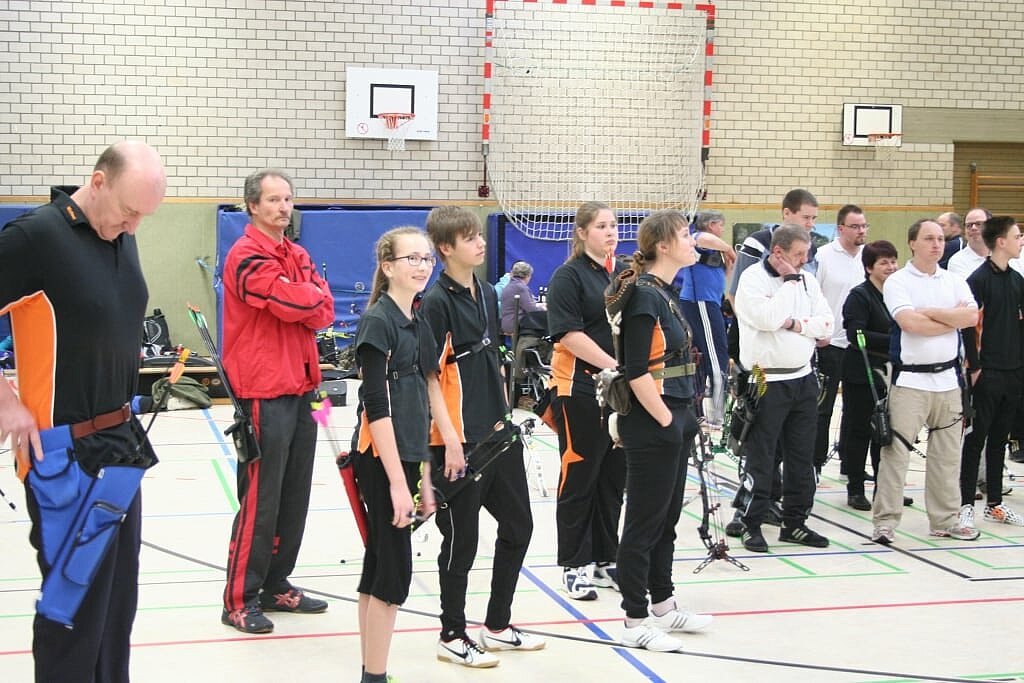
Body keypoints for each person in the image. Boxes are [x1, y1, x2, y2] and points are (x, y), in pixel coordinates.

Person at [0, 140, 166, 682]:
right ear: (98, 182)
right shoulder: (36, 237)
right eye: (129, 211)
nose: (134, 226)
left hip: (122, 446)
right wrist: (5, 399)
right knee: (72, 614)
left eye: (143, 217)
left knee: (115, 612)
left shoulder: (119, 235)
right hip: (64, 458)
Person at [419, 207, 543, 667]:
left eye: (479, 235)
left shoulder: (488, 293)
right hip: (459, 441)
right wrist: (451, 440)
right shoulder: (436, 303)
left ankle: (497, 625)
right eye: (469, 237)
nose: (480, 242)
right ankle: (451, 634)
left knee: (519, 526)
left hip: (498, 433)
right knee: (462, 541)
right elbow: (430, 378)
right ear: (446, 248)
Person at [220, 169, 335, 634]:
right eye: (273, 200)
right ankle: (239, 599)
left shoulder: (298, 254)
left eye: (287, 199)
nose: (284, 207)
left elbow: (323, 311)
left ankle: (275, 585)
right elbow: (291, 303)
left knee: (293, 495)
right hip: (262, 390)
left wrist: (304, 296)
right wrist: (306, 296)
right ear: (252, 206)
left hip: (303, 388)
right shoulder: (245, 255)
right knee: (261, 500)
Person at [350, 227, 457, 683]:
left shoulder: (418, 317)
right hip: (381, 457)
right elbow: (377, 406)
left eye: (426, 258)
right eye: (411, 258)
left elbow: (429, 386)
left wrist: (445, 447)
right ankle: (374, 676)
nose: (422, 265)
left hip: (409, 456)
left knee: (379, 564)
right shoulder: (379, 322)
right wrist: (397, 482)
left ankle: (371, 671)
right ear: (388, 266)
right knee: (393, 572)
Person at [614, 210, 713, 652]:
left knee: (667, 520)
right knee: (643, 523)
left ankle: (663, 604)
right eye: (685, 235)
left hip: (676, 416)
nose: (693, 241)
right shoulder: (643, 297)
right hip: (653, 423)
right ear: (663, 245)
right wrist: (667, 421)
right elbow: (636, 372)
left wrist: (683, 419)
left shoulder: (666, 292)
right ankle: (635, 619)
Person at [870, 219, 980, 544]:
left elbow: (971, 317)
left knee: (947, 457)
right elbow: (909, 323)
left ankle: (945, 519)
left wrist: (930, 312)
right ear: (912, 243)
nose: (937, 244)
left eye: (940, 239)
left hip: (949, 382)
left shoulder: (955, 281)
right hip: (910, 383)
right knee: (896, 455)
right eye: (929, 238)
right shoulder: (898, 281)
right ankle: (885, 522)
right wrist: (950, 318)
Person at [734, 225, 833, 553]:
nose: (804, 261)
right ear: (778, 253)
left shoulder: (808, 280)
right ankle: (751, 523)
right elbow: (767, 319)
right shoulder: (752, 280)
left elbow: (827, 325)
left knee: (802, 457)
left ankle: (795, 523)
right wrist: (789, 284)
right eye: (798, 255)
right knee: (761, 457)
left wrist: (794, 324)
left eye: (807, 254)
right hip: (765, 379)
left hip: (803, 378)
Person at [546, 201, 625, 600]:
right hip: (579, 388)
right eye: (601, 226)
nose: (610, 232)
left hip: (619, 392)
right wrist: (615, 366)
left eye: (614, 225)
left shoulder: (622, 273)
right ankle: (574, 564)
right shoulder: (569, 276)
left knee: (613, 479)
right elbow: (568, 334)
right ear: (581, 233)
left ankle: (606, 558)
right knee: (580, 477)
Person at [959, 216, 1024, 528]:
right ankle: (965, 505)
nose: (1020, 241)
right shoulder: (978, 280)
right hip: (986, 373)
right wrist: (974, 368)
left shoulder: (1018, 281)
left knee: (999, 440)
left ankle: (995, 504)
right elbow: (968, 328)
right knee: (976, 440)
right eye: (1017, 235)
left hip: (1013, 372)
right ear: (1001, 241)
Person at [838, 240, 902, 510]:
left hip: (891, 372)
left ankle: (884, 488)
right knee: (860, 431)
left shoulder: (898, 293)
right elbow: (857, 335)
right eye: (883, 262)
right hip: (862, 372)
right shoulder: (860, 296)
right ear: (869, 267)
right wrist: (895, 339)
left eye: (893, 261)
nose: (890, 267)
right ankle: (855, 489)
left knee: (885, 433)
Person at [814, 205, 870, 474]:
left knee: (856, 410)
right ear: (841, 228)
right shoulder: (823, 256)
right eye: (855, 226)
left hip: (858, 346)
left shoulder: (868, 258)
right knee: (823, 410)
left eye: (864, 226)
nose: (861, 231)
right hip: (830, 345)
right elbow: (812, 296)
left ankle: (851, 464)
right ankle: (814, 465)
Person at [676, 209, 735, 423]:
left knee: (705, 355)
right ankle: (717, 414)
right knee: (716, 354)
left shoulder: (713, 250)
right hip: (699, 302)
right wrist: (729, 249)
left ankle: (701, 410)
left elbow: (721, 277)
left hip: (710, 302)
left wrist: (729, 265)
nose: (722, 229)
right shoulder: (699, 238)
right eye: (721, 225)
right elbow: (701, 237)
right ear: (711, 225)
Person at [728, 188, 821, 303]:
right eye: (806, 217)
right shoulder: (758, 243)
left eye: (814, 218)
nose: (811, 224)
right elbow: (736, 294)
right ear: (786, 213)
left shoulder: (812, 250)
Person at [500, 260, 545, 336]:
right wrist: (544, 308)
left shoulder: (510, 285)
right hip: (515, 324)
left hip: (507, 323)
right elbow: (532, 309)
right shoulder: (521, 287)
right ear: (528, 276)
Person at [946, 208, 991, 279]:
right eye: (969, 225)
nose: (973, 228)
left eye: (978, 224)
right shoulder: (957, 261)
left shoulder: (1005, 256)